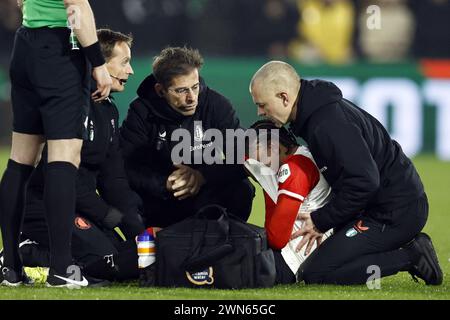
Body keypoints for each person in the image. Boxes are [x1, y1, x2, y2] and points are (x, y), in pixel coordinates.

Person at [248, 61, 443, 285]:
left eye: (262, 105)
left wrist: (321, 221)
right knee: (321, 262)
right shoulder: (318, 113)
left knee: (317, 273)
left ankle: (412, 256)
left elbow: (365, 182)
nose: (260, 112)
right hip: (378, 206)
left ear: (284, 97)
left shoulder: (326, 125)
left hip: (394, 213)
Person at [9, 28, 144, 284]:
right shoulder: (69, 105)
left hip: (79, 205)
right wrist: (106, 214)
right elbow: (59, 174)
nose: (131, 71)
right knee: (101, 259)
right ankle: (22, 252)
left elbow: (112, 177)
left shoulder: (109, 112)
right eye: (125, 62)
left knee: (120, 255)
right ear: (100, 64)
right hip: (43, 207)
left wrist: (134, 227)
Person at [0, 0, 112, 287]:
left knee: (21, 158)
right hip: (59, 50)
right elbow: (75, 6)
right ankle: (62, 268)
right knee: (64, 156)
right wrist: (98, 63)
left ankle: (10, 266)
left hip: (25, 45)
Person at [120, 46, 254, 228]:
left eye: (195, 87)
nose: (192, 98)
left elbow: (243, 158)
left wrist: (201, 176)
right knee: (123, 193)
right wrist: (165, 183)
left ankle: (225, 242)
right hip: (161, 199)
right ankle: (147, 245)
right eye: (181, 90)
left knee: (242, 188)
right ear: (161, 90)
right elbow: (126, 166)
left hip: (206, 196)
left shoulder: (216, 105)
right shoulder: (140, 112)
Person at [244, 120, 333, 284]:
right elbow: (243, 161)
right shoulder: (290, 158)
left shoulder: (294, 169)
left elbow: (277, 238)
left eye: (253, 149)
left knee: (224, 262)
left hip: (290, 259)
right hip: (296, 255)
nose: (253, 158)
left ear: (272, 147)